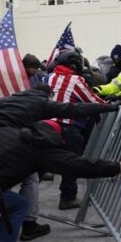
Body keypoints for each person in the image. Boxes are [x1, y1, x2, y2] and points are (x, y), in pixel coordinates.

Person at [0, 83, 116, 240]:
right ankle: (29, 225)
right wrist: (108, 107)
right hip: (1, 139)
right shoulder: (41, 102)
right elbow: (74, 109)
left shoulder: (7, 99)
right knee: (30, 178)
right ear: (48, 96)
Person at [47, 50, 106, 209]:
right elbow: (92, 100)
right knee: (71, 163)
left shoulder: (50, 77)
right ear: (76, 64)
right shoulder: (75, 79)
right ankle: (68, 197)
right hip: (67, 127)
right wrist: (111, 107)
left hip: (45, 125)